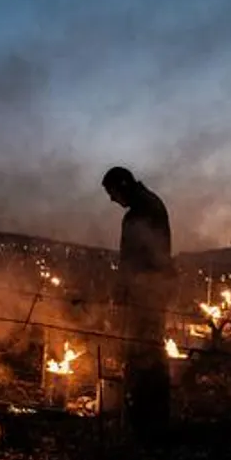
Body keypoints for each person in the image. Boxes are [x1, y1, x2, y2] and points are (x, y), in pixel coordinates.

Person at [101, 166, 174, 442]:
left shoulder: (139, 214)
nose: (111, 199)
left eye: (112, 192)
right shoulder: (152, 204)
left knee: (143, 354)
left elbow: (132, 260)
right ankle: (151, 419)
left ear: (122, 186)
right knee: (150, 353)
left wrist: (122, 291)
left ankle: (144, 422)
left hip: (146, 294)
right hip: (153, 292)